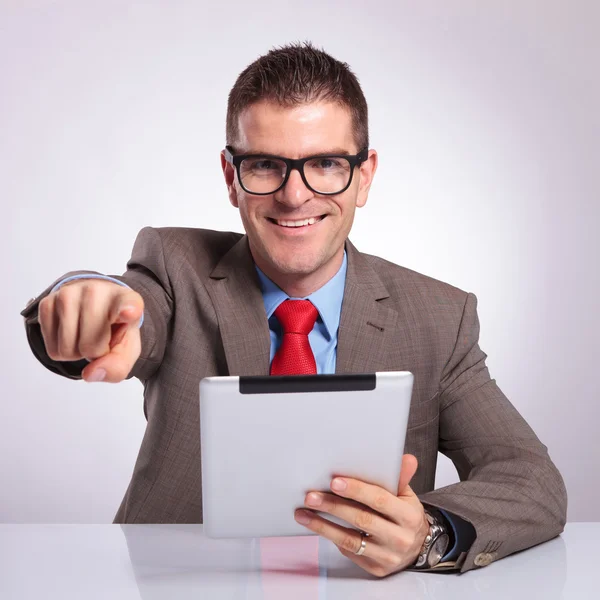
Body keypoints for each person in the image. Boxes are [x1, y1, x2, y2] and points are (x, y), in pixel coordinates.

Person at [20, 42, 567, 576]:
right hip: (181, 584)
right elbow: (126, 304)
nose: (294, 195)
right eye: (264, 165)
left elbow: (530, 481)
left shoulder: (439, 318)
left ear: (365, 175)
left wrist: (426, 534)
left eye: (326, 163)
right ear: (232, 177)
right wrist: (84, 300)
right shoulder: (175, 269)